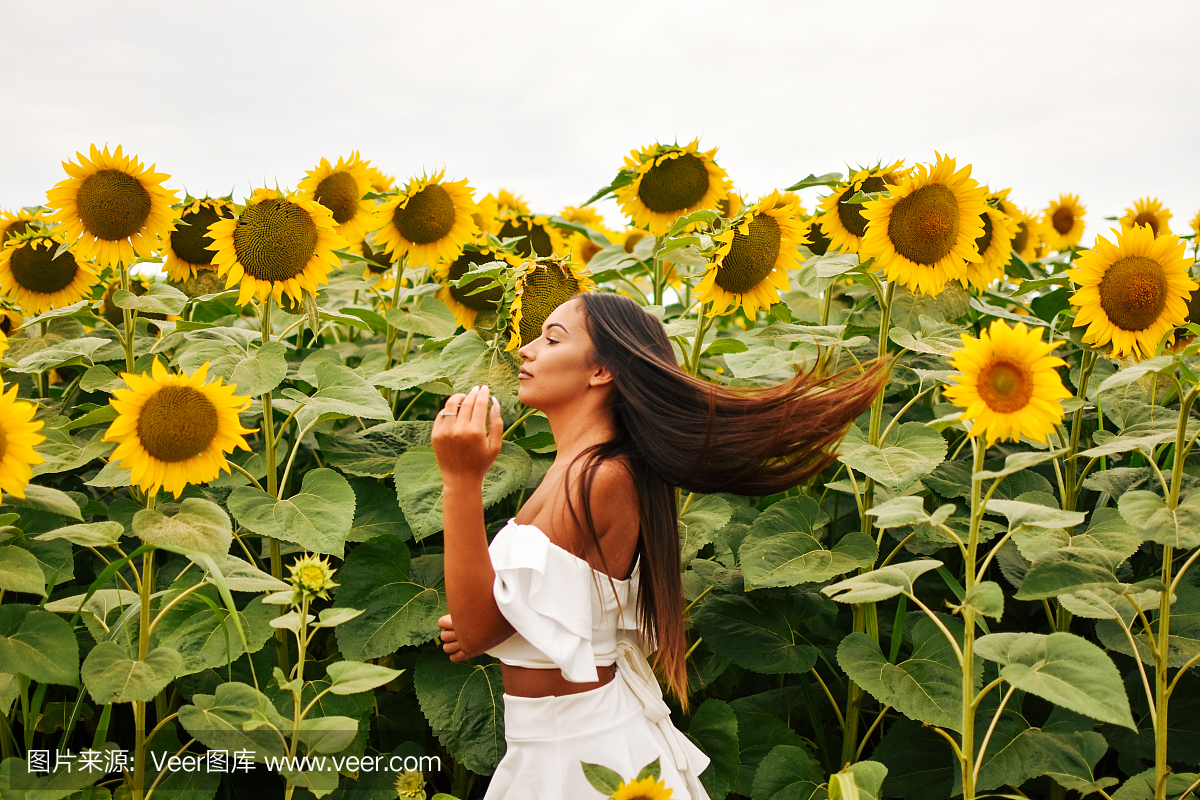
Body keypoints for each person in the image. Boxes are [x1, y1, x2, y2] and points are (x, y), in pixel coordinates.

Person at [432, 291, 884, 799]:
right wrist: (498, 615)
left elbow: (479, 627)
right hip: (556, 738)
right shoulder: (579, 469)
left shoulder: (598, 477)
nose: (526, 350)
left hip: (581, 750)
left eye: (551, 338)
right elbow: (519, 615)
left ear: (601, 370)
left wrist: (461, 480)